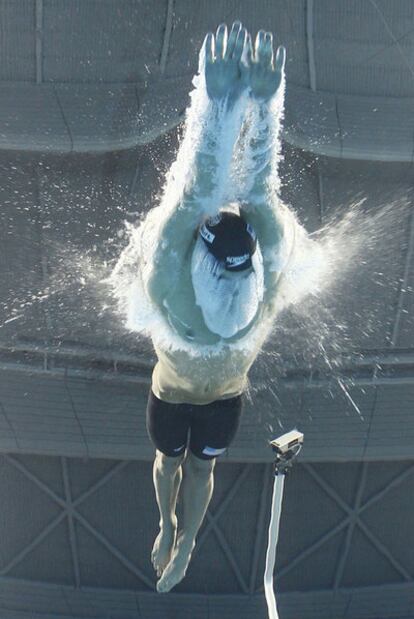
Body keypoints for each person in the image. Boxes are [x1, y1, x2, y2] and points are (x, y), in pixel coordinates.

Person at [142, 21, 293, 593]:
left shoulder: (254, 285)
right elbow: (212, 195)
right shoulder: (172, 286)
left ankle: (187, 541)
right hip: (180, 392)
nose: (234, 291)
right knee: (169, 466)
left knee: (199, 468)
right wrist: (238, 101)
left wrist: (236, 99)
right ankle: (166, 524)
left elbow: (246, 197)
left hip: (214, 399)